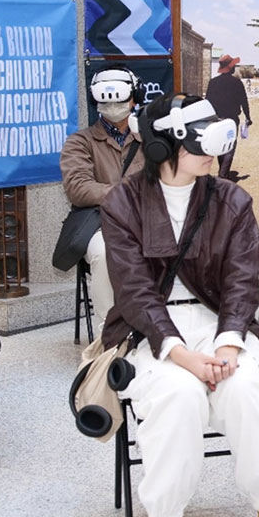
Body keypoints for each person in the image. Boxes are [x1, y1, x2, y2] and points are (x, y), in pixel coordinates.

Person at [101, 93, 259, 517]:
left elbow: (242, 281)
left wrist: (226, 345)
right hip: (152, 332)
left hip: (223, 324)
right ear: (163, 147)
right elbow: (133, 292)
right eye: (201, 142)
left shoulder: (232, 200)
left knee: (246, 392)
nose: (215, 152)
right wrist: (181, 355)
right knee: (175, 395)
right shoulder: (123, 202)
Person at [60, 65, 146, 336]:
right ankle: (110, 337)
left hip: (149, 220)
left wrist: (150, 140)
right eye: (106, 101)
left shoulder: (151, 139)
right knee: (105, 252)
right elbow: (78, 188)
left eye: (120, 100)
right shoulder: (80, 142)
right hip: (102, 224)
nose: (113, 106)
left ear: (134, 98)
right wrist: (126, 193)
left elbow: (170, 177)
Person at [206, 54, 252, 182]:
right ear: (230, 68)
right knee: (230, 146)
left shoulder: (213, 83)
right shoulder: (237, 83)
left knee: (221, 145)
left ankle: (223, 171)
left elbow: (207, 102)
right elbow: (244, 101)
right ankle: (223, 174)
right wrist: (248, 117)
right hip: (231, 120)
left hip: (217, 120)